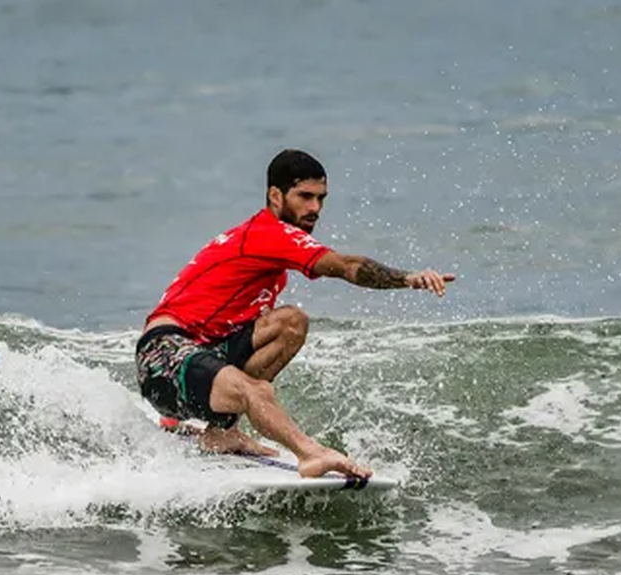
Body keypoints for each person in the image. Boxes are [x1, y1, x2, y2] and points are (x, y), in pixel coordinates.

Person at [135, 148, 453, 480]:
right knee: (256, 391)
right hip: (162, 355)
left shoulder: (262, 243)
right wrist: (407, 279)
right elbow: (345, 266)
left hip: (200, 354)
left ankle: (221, 432)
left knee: (291, 322)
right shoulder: (269, 233)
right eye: (305, 196)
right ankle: (310, 454)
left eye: (321, 198)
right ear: (275, 195)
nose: (315, 208)